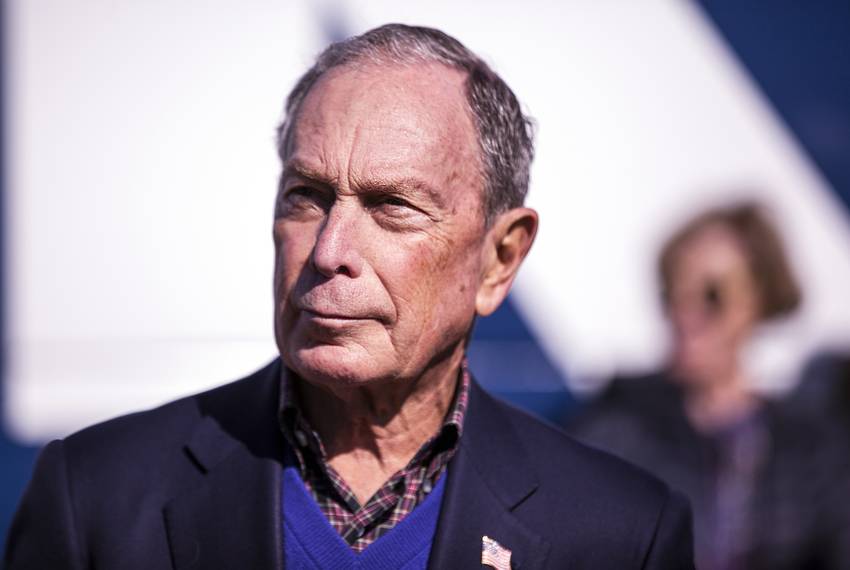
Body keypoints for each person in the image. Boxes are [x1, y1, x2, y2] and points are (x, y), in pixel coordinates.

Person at [5, 24, 693, 569]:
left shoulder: (620, 534)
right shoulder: (96, 498)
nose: (329, 251)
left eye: (392, 206)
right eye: (306, 196)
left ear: (499, 258)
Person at [568, 202, 850, 569]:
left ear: (758, 301)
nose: (685, 313)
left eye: (712, 295)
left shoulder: (812, 449)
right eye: (673, 292)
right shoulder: (616, 427)